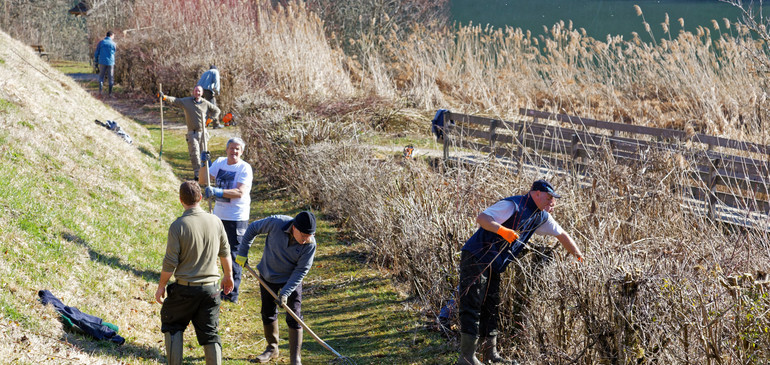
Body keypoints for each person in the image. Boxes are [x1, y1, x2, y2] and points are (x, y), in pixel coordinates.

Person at [456, 179, 583, 365]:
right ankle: (466, 358)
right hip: (477, 255)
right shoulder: (513, 204)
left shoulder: (542, 216)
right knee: (472, 304)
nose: (551, 203)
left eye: (553, 200)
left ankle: (490, 356)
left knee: (491, 306)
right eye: (548, 198)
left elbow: (562, 235)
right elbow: (482, 218)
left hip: (495, 264)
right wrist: (503, 231)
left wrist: (579, 258)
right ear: (536, 193)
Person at [154, 181, 234, 365]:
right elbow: (225, 252)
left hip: (184, 290)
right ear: (200, 198)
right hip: (211, 290)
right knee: (210, 334)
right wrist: (228, 276)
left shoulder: (178, 226)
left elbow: (170, 263)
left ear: (181, 200)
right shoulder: (216, 221)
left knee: (173, 325)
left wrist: (161, 286)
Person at [235, 211, 317, 365]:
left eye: (310, 236)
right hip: (268, 275)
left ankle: (295, 358)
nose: (307, 239)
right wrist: (243, 252)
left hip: (291, 279)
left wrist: (286, 292)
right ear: (295, 228)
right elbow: (253, 228)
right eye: (304, 235)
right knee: (268, 312)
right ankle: (272, 348)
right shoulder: (276, 223)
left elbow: (301, 271)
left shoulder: (310, 244)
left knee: (294, 316)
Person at [199, 137, 253, 303]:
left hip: (236, 217)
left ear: (242, 152)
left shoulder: (244, 168)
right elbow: (202, 180)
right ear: (226, 149)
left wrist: (218, 192)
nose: (234, 151)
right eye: (231, 148)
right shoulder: (220, 162)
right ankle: (211, 284)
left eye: (237, 149)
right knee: (216, 250)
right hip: (218, 215)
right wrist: (204, 164)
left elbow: (240, 192)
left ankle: (231, 294)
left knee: (234, 253)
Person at [159, 86, 221, 180]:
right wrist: (165, 97)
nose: (197, 93)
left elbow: (217, 110)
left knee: (204, 154)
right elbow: (176, 100)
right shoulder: (187, 102)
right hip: (192, 133)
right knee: (194, 154)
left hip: (203, 133)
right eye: (196, 91)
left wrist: (210, 120)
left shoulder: (205, 103)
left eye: (199, 91)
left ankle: (206, 174)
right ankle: (197, 174)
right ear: (193, 92)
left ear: (202, 93)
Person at [94, 31, 117, 97]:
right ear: (111, 35)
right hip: (111, 62)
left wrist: (96, 62)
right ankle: (110, 94)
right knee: (111, 78)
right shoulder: (113, 44)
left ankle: (100, 92)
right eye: (113, 36)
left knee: (101, 77)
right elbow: (114, 52)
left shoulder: (101, 43)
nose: (113, 37)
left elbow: (96, 53)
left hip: (102, 62)